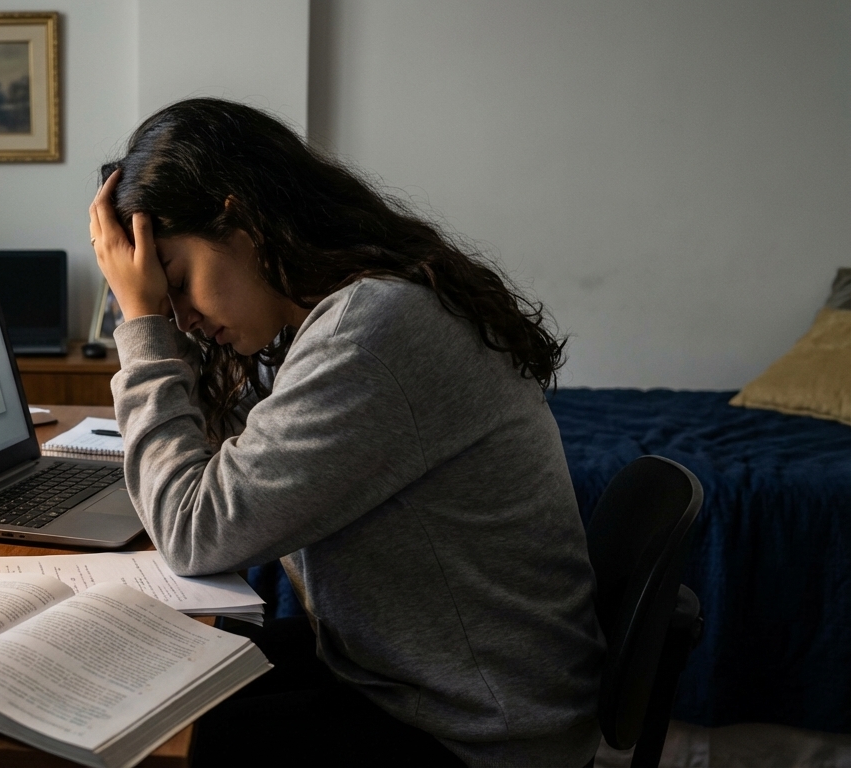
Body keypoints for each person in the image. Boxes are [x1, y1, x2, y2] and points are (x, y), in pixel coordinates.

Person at [88, 98, 604, 768]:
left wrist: (140, 324)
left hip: (471, 735)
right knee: (145, 694)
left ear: (241, 220)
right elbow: (234, 476)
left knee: (134, 742)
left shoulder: (372, 335)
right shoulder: (355, 311)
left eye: (177, 283)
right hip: (412, 683)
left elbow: (194, 532)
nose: (179, 318)